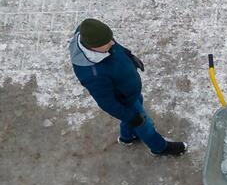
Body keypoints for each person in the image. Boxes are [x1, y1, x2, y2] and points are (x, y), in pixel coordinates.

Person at [68, 19, 185, 156]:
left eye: (111, 38)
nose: (112, 42)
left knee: (137, 115)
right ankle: (160, 148)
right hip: (125, 101)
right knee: (144, 125)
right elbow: (107, 103)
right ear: (92, 47)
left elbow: (117, 47)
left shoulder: (92, 34)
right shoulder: (93, 75)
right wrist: (130, 117)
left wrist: (129, 56)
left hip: (130, 91)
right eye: (107, 42)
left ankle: (127, 137)